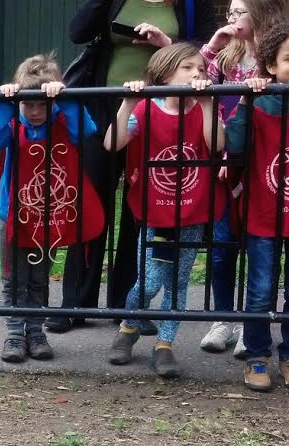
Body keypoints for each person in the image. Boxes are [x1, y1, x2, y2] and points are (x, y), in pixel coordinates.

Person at [58, 0, 217, 333]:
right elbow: (77, 32)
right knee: (90, 203)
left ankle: (127, 306)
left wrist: (167, 46)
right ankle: (75, 303)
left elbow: (204, 53)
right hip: (105, 107)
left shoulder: (189, 4)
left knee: (143, 208)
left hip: (160, 112)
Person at [105, 43, 222, 378]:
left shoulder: (201, 108)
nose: (197, 73)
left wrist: (207, 104)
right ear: (165, 72)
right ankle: (129, 327)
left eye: (200, 68)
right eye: (187, 67)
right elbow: (113, 143)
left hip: (191, 210)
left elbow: (217, 145)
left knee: (179, 281)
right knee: (150, 279)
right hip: (155, 210)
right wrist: (127, 103)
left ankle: (165, 345)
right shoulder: (146, 109)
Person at [0, 54, 103, 364]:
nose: (35, 112)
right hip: (12, 212)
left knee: (39, 275)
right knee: (13, 275)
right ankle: (13, 333)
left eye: (41, 104)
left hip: (49, 213)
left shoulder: (62, 119)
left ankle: (35, 331)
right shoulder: (12, 121)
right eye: (28, 104)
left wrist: (66, 98)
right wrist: (5, 102)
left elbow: (84, 130)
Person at [197, 0, 287, 355]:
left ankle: (256, 332)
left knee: (261, 254)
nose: (231, 19)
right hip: (226, 158)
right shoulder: (227, 58)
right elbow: (192, 80)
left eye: (238, 12)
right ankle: (224, 320)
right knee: (222, 247)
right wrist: (213, 45)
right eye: (229, 12)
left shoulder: (281, 51)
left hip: (267, 163)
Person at [223, 21, 289, 391]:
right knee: (261, 288)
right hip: (264, 212)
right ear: (271, 67)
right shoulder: (260, 105)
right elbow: (235, 145)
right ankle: (258, 355)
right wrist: (246, 101)